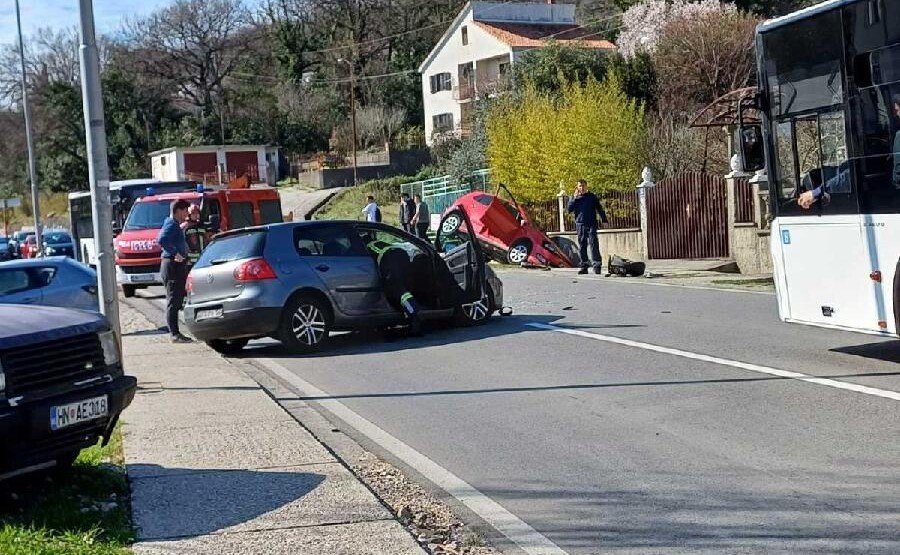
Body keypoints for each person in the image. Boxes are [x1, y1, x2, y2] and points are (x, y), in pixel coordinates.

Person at [365, 238, 429, 336]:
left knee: (399, 291)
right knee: (404, 287)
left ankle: (414, 316)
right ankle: (411, 311)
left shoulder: (367, 247)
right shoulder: (380, 242)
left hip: (390, 259)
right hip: (402, 255)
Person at [157, 199, 192, 343]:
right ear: (178, 210)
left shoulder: (174, 224)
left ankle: (176, 332)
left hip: (175, 265)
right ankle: (174, 334)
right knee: (173, 300)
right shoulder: (171, 224)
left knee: (177, 300)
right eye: (185, 211)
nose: (186, 214)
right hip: (171, 266)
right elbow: (162, 239)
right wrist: (174, 253)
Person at [567, 179, 609, 275]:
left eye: (583, 186)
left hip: (591, 223)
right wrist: (574, 198)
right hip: (580, 224)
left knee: (594, 244)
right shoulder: (575, 198)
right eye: (580, 186)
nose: (582, 188)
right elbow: (569, 209)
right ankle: (584, 266)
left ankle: (597, 265)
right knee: (582, 246)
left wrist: (604, 219)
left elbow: (599, 208)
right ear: (577, 187)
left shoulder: (591, 196)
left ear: (586, 186)